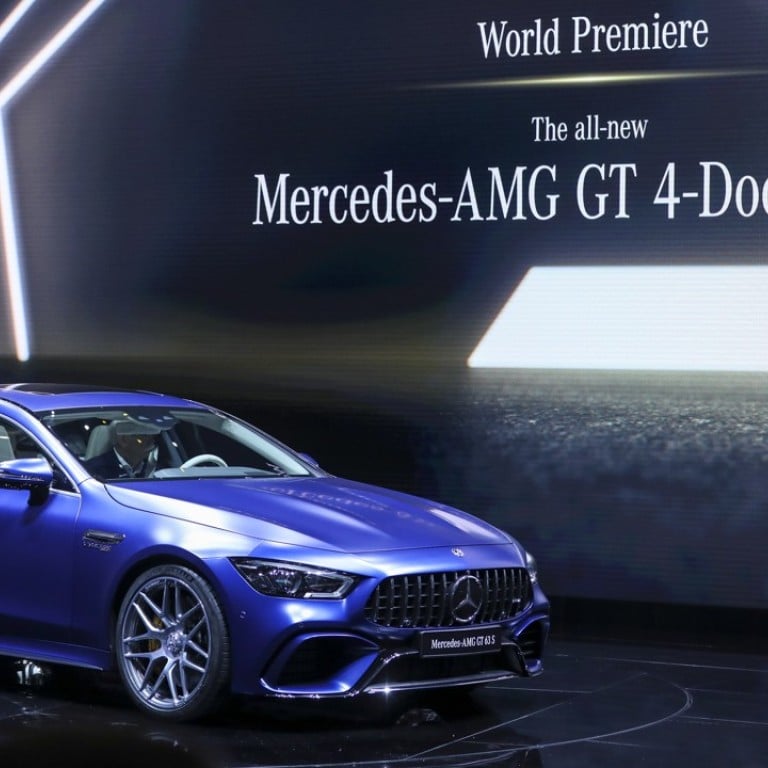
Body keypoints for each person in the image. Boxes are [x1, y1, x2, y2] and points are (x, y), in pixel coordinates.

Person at [84, 420, 161, 480]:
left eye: (152, 437)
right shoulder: (94, 472)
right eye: (143, 436)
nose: (151, 442)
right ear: (123, 440)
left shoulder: (157, 469)